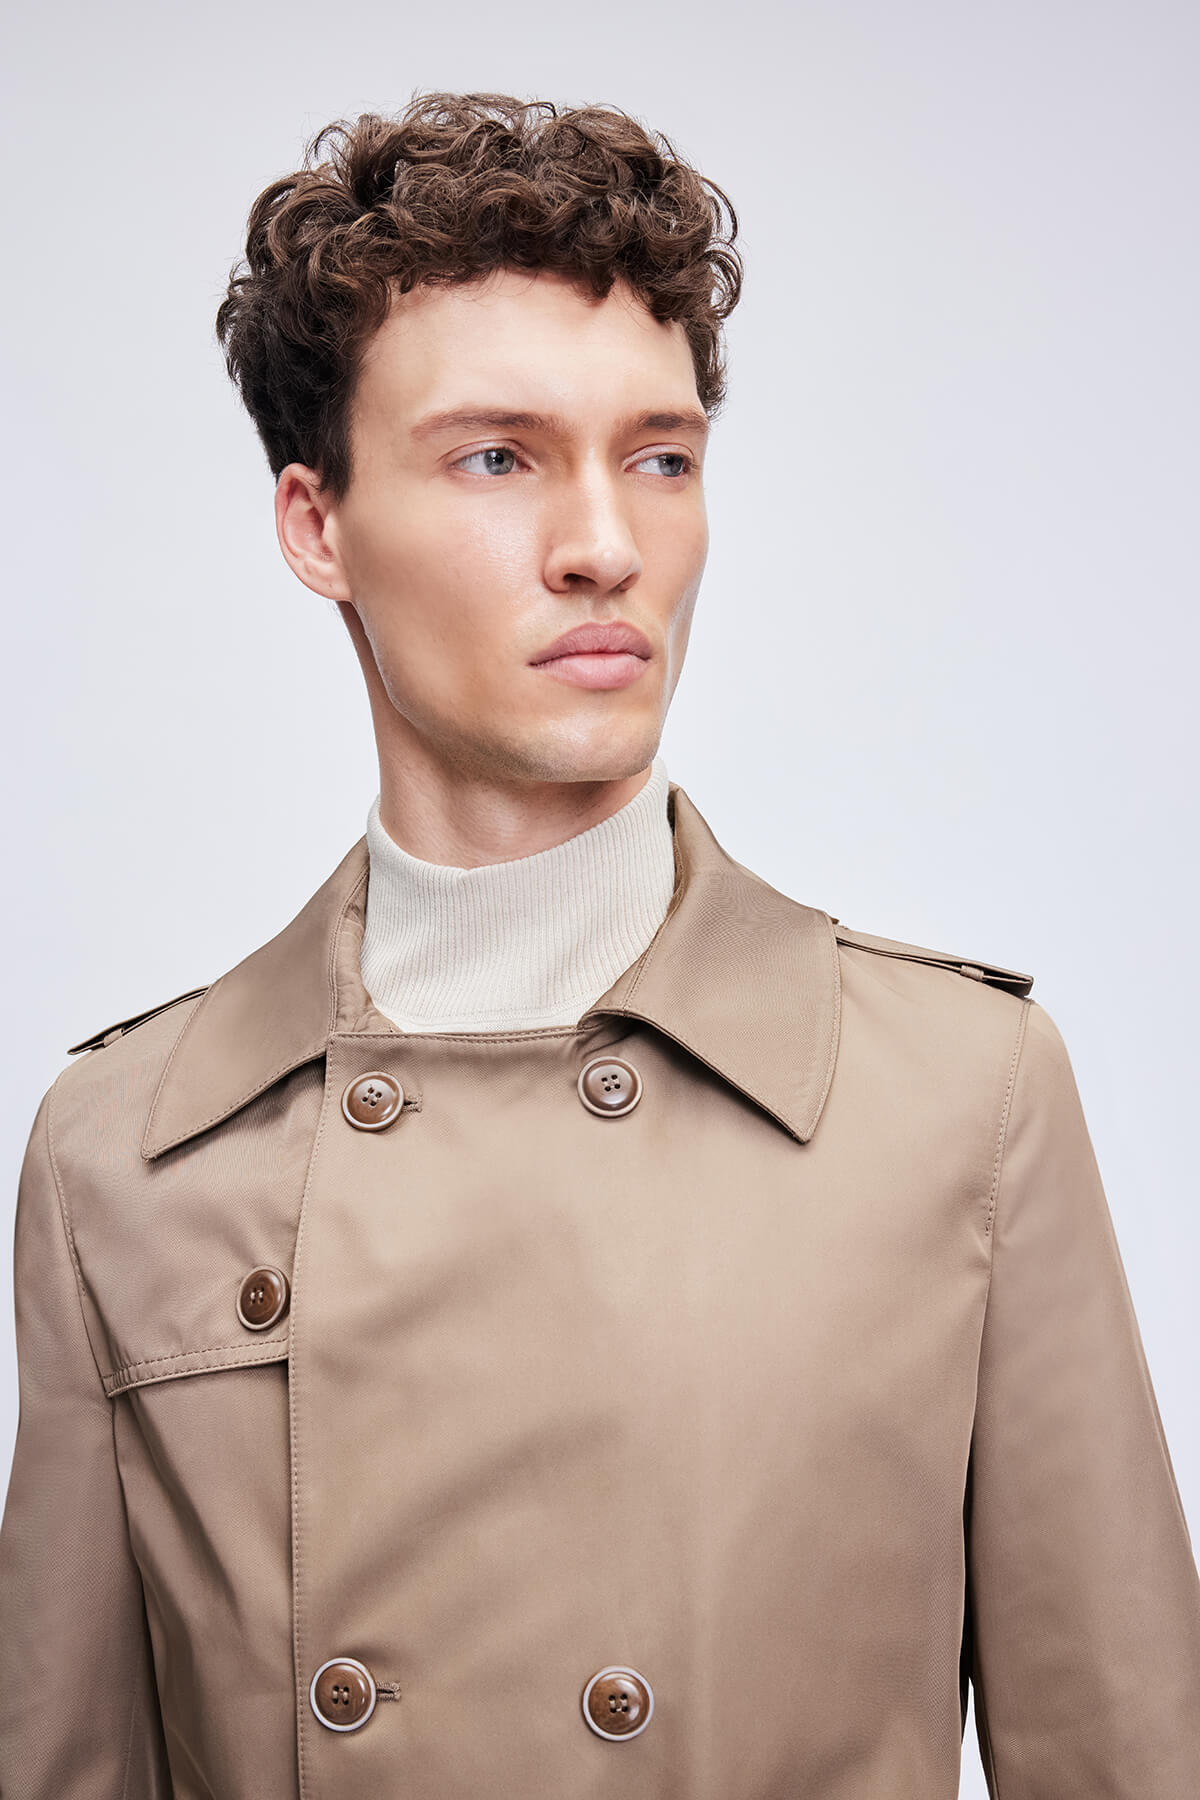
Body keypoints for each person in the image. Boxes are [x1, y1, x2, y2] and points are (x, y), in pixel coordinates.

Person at [0, 89, 1197, 1800]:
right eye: (497, 458)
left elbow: (1125, 1761)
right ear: (317, 525)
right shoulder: (122, 1153)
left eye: (660, 458)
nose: (607, 549)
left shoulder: (961, 1100)